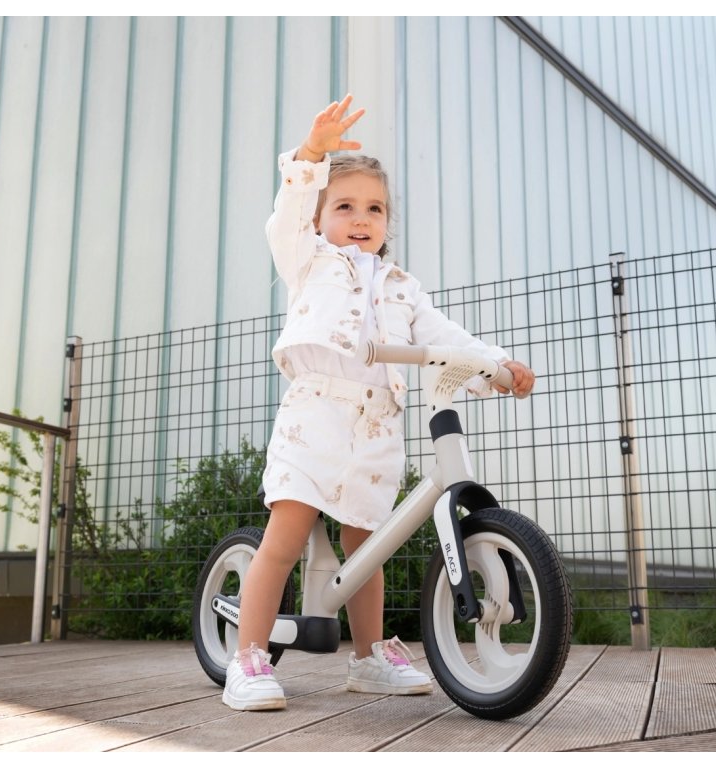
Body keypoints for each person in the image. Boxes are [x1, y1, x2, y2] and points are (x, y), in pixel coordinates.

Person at [223, 95, 536, 711]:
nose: (361, 218)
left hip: (376, 424)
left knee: (369, 548)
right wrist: (311, 156)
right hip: (315, 414)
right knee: (284, 536)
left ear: (388, 221)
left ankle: (368, 657)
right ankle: (248, 658)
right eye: (344, 206)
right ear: (320, 218)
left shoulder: (403, 288)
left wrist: (497, 366)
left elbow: (445, 337)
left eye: (375, 208)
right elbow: (286, 216)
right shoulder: (309, 260)